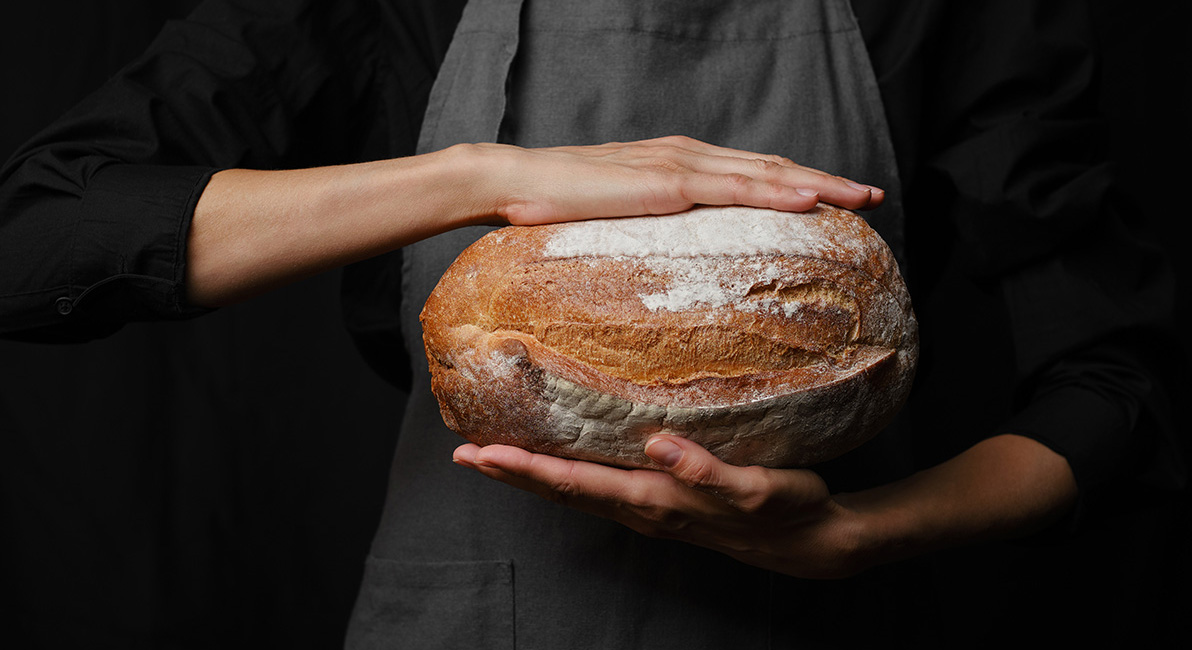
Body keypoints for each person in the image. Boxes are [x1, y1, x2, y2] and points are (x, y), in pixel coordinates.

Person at [0, 0, 1181, 647]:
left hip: (837, 609)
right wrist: (481, 175)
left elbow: (1120, 374)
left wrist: (867, 534)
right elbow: (35, 239)